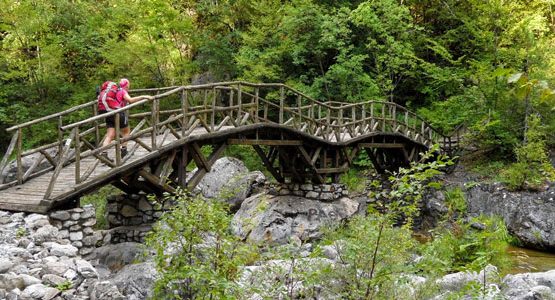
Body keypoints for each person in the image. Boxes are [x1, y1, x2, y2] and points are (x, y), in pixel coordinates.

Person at [100, 78, 153, 160]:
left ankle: (104, 153)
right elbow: (130, 100)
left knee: (110, 135)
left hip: (109, 113)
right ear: (127, 85)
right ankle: (124, 151)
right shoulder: (122, 91)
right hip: (118, 113)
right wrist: (144, 96)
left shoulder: (115, 91)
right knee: (126, 131)